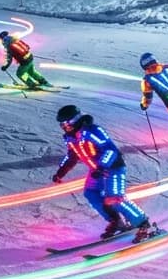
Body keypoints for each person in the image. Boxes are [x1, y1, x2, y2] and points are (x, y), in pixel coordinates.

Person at [51, 104, 157, 243]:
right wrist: (60, 172)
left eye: (66, 123)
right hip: (96, 171)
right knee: (91, 193)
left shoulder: (92, 131)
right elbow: (72, 156)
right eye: (62, 125)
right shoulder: (70, 137)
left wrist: (101, 166)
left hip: (112, 167)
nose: (64, 127)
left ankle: (143, 224)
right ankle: (116, 221)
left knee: (114, 198)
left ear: (74, 120)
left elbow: (110, 150)